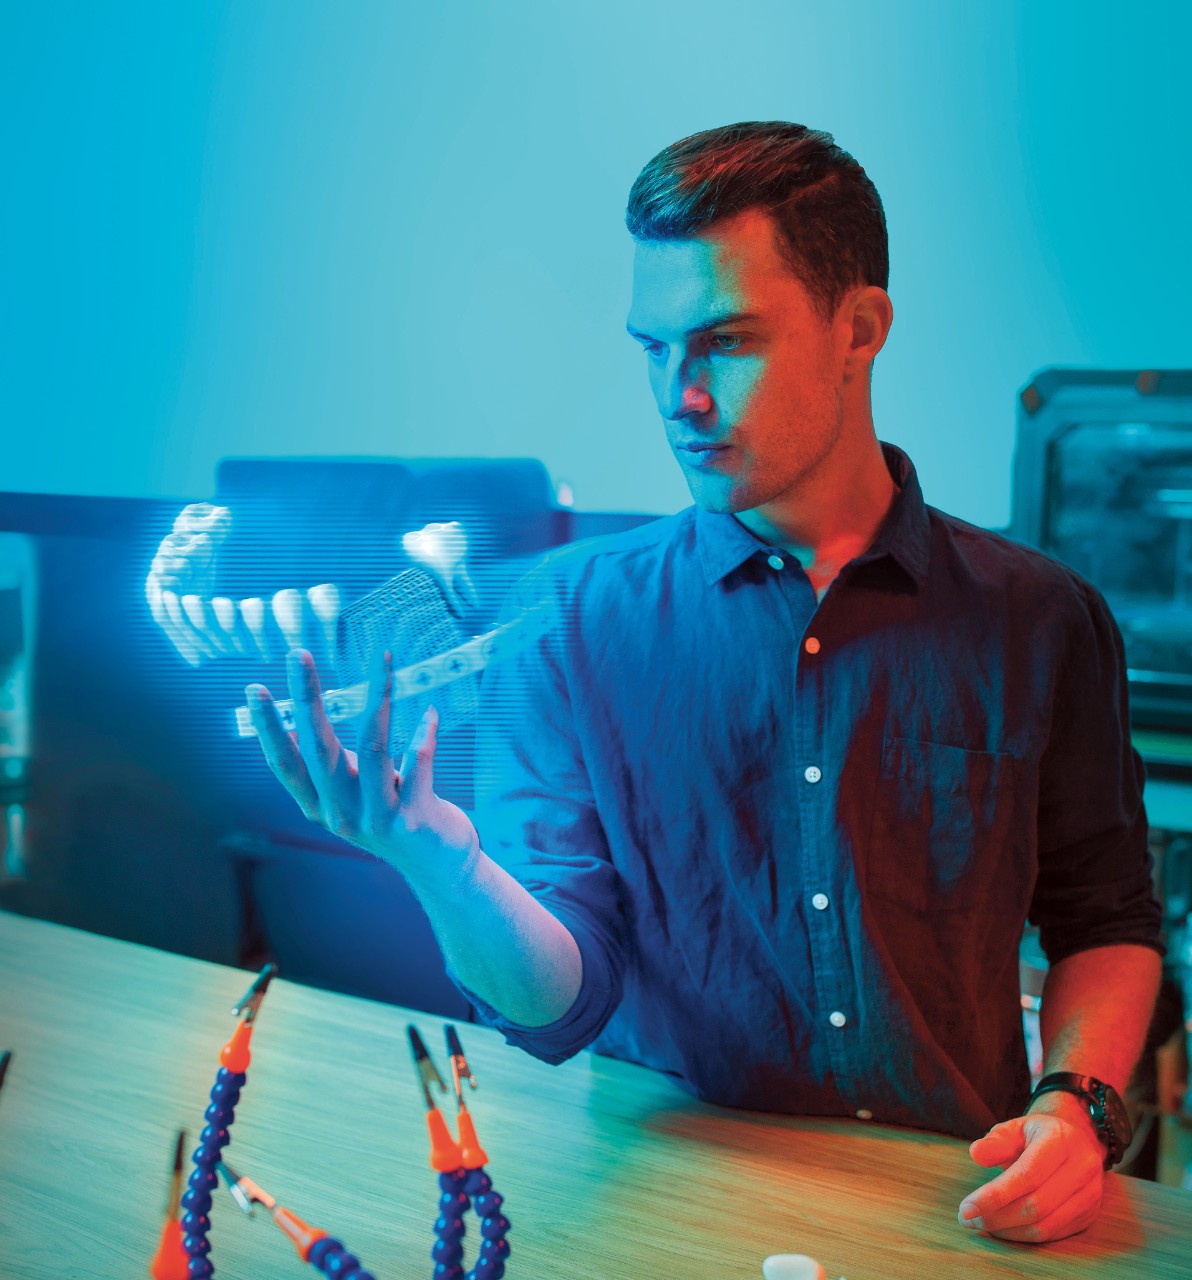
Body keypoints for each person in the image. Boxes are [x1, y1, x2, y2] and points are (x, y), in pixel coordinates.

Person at [246, 122, 1164, 1245]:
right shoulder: (565, 618)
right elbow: (559, 1002)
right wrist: (442, 865)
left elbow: (1105, 917)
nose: (676, 396)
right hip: (663, 1206)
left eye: (724, 342)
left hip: (954, 1207)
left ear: (858, 329)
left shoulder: (1043, 617)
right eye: (651, 347)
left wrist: (1077, 1107)